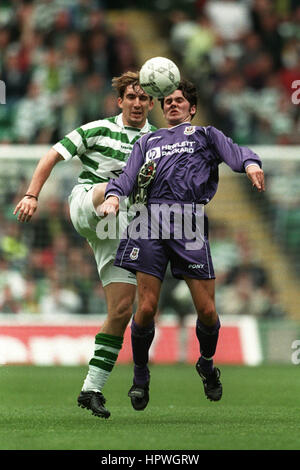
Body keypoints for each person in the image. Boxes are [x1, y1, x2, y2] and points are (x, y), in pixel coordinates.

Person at [100, 78, 265, 411]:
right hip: (149, 220)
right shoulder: (148, 141)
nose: (171, 104)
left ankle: (205, 363)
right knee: (146, 307)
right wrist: (114, 197)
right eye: (167, 102)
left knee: (206, 310)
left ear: (192, 108)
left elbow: (237, 153)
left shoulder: (205, 135)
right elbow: (127, 176)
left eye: (178, 100)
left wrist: (251, 164)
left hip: (188, 221)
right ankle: (141, 376)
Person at [13, 71, 156, 419]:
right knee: (113, 187)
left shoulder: (157, 139)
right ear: (119, 101)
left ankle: (91, 389)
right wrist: (32, 195)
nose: (137, 103)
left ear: (151, 102)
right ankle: (110, 197)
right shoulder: (97, 129)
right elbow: (52, 155)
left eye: (143, 98)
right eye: (130, 97)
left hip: (120, 226)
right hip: (87, 202)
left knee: (122, 310)